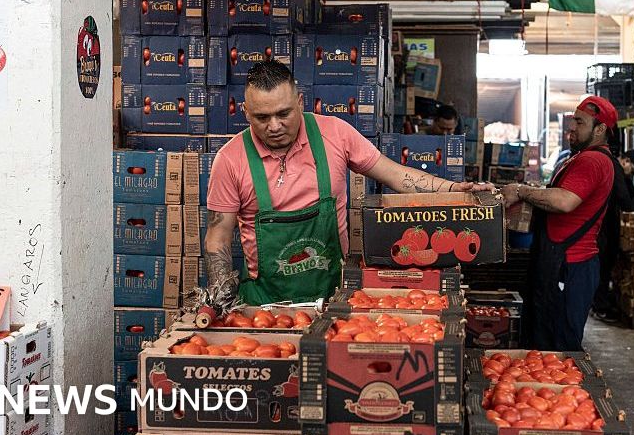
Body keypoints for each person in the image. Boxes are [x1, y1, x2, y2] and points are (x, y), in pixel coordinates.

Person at [204, 61, 493, 306]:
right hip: (264, 305)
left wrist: (455, 190)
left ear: (300, 102)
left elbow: (396, 176)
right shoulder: (230, 159)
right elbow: (219, 235)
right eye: (262, 118)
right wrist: (221, 295)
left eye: (284, 113)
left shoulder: (335, 134)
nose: (275, 126)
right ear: (245, 112)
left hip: (334, 298)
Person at [502, 95, 617, 351]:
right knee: (545, 343)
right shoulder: (581, 157)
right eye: (572, 120)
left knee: (558, 348)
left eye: (580, 121)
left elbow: (565, 201)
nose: (572, 127)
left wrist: (520, 191)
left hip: (569, 266)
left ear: (599, 129)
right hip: (561, 262)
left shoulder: (593, 160)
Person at [592, 149, 634, 321]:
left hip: (607, 228)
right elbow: (626, 201)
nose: (633, 174)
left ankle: (601, 304)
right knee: (602, 267)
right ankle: (600, 307)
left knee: (604, 268)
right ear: (626, 161)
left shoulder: (619, 172)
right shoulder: (615, 169)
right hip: (603, 229)